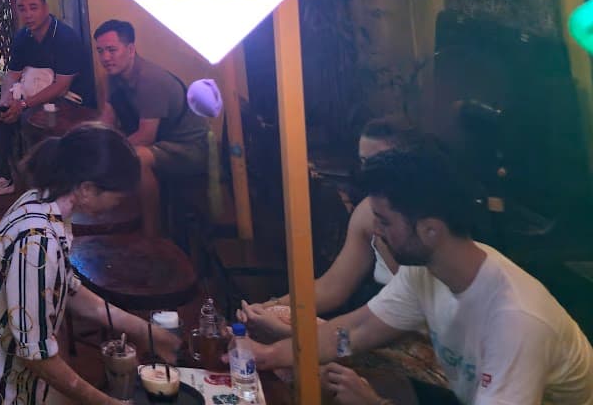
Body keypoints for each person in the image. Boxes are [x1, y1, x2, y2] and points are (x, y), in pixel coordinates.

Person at [254, 143, 593, 405]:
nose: (376, 230)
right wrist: (267, 356)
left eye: (385, 221)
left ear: (430, 230)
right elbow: (352, 333)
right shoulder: (426, 272)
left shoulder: (516, 321)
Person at [0, 125, 178, 405]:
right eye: (117, 198)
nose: (117, 205)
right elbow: (37, 357)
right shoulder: (37, 242)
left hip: (13, 375)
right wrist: (106, 403)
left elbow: (69, 288)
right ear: (87, 189)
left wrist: (146, 332)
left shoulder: (44, 201)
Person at [240, 118, 418, 340]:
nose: (369, 172)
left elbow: (361, 336)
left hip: (412, 342)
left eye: (380, 162)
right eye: (364, 162)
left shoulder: (428, 229)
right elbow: (333, 287)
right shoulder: (366, 211)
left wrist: (289, 335)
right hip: (370, 330)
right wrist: (271, 306)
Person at [93, 19, 209, 236]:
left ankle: (151, 234)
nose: (105, 57)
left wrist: (108, 155)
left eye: (111, 50)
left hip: (188, 148)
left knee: (137, 157)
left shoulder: (150, 80)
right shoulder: (113, 78)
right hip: (161, 142)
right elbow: (107, 120)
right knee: (106, 154)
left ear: (130, 49)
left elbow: (146, 136)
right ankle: (118, 227)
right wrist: (89, 143)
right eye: (100, 51)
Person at [0, 0, 90, 198]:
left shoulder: (65, 38)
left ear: (45, 8)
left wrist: (24, 105)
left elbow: (61, 85)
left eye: (33, 7)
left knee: (30, 118)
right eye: (22, 9)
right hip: (32, 93)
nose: (28, 14)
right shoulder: (22, 37)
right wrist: (6, 99)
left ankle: (42, 184)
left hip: (67, 100)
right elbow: (12, 75)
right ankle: (2, 177)